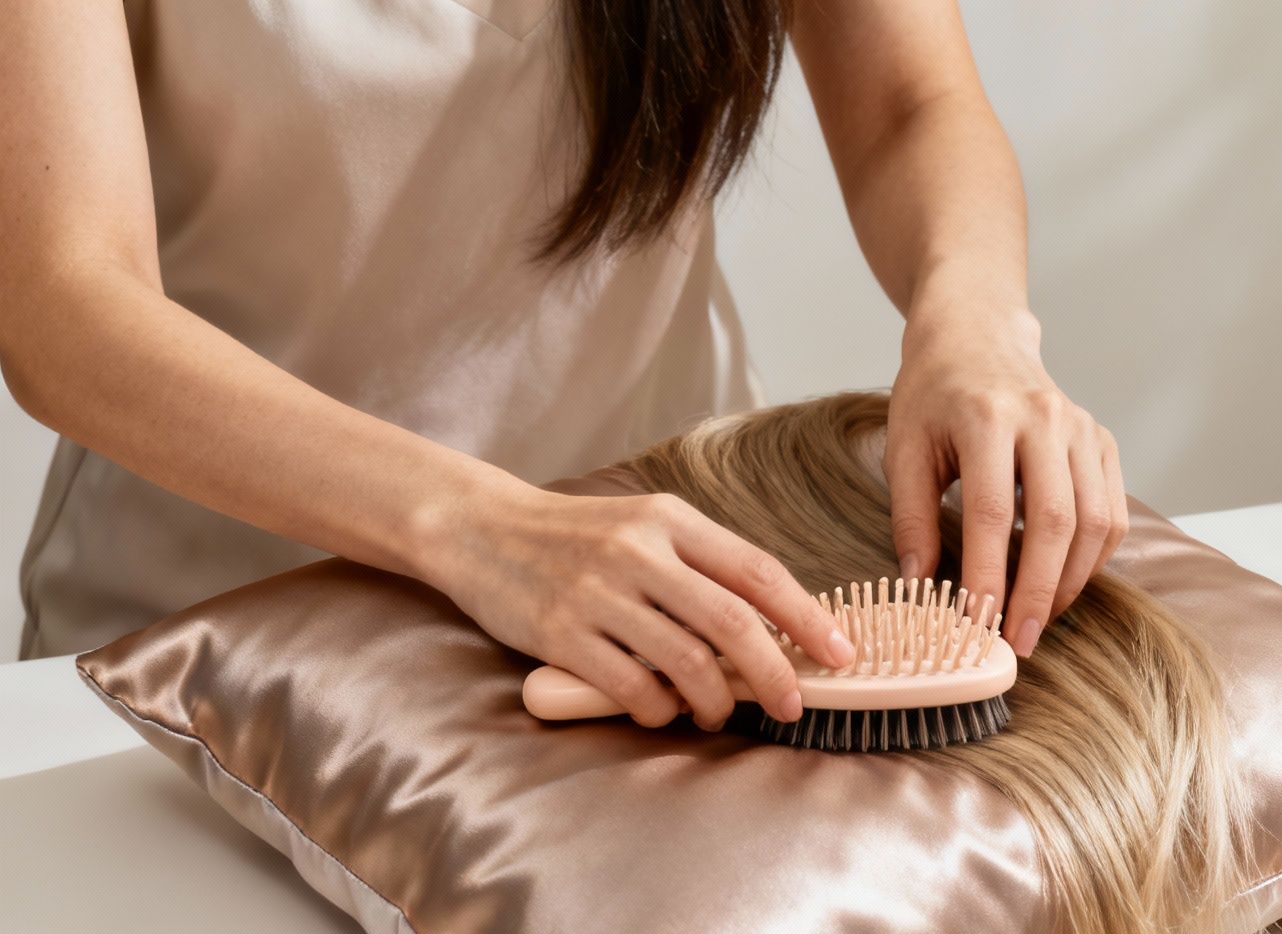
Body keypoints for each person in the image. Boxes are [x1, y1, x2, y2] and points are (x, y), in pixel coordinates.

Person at [0, 0, 1128, 730]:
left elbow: (908, 104)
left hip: (673, 631)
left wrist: (973, 315)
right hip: (210, 640)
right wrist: (477, 526)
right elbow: (64, 302)